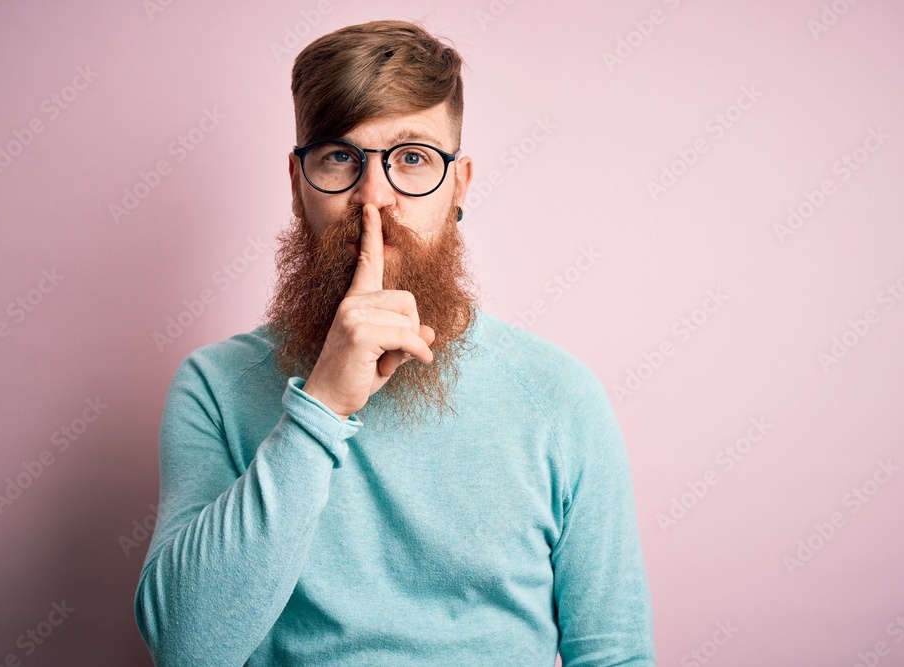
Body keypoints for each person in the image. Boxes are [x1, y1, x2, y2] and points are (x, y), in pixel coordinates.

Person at [133, 19, 655, 666]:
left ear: (458, 186)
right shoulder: (213, 388)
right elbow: (186, 647)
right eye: (339, 158)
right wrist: (320, 404)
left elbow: (614, 654)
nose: (373, 198)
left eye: (412, 158)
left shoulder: (561, 398)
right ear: (297, 187)